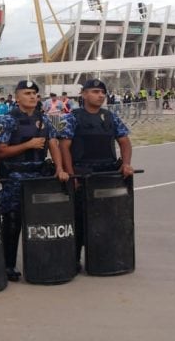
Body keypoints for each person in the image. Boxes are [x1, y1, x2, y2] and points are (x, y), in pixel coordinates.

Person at [0, 80, 68, 282]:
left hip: (38, 176)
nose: (32, 96)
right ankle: (7, 264)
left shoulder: (43, 119)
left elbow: (53, 144)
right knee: (12, 222)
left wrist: (60, 168)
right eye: (27, 93)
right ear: (17, 97)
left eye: (35, 93)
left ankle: (40, 262)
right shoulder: (8, 120)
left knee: (40, 222)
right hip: (15, 177)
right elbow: (1, 151)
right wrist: (28, 145)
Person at [58, 79, 134, 271]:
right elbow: (64, 147)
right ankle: (74, 260)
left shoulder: (110, 117)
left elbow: (124, 141)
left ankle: (105, 257)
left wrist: (126, 164)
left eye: (102, 92)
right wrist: (71, 174)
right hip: (83, 175)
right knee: (79, 219)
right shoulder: (71, 117)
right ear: (83, 94)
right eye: (95, 91)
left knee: (108, 219)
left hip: (107, 175)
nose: (100, 95)